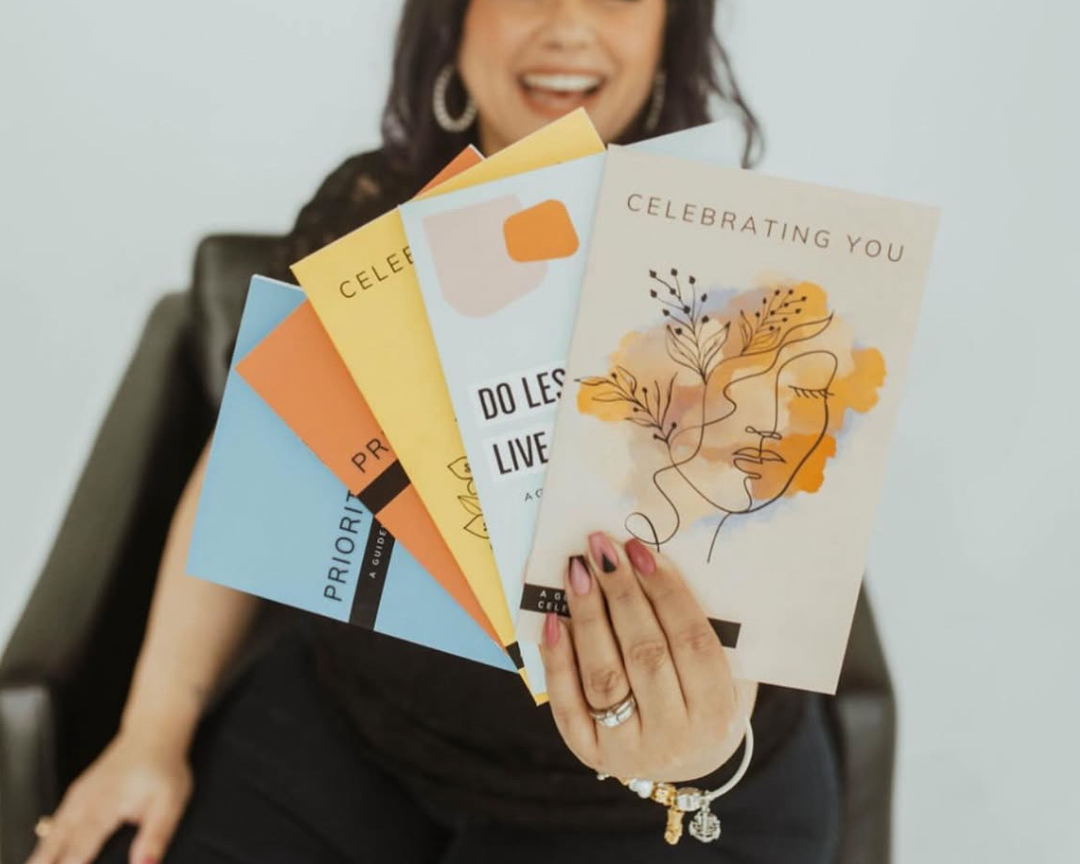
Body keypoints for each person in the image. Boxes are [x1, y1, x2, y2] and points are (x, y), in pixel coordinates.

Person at [27, 2, 840, 863]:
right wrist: (150, 735)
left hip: (631, 799)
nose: (568, 24)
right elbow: (247, 467)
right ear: (452, 20)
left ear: (669, 29)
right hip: (354, 736)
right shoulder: (367, 209)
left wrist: (698, 757)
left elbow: (773, 566)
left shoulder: (738, 265)